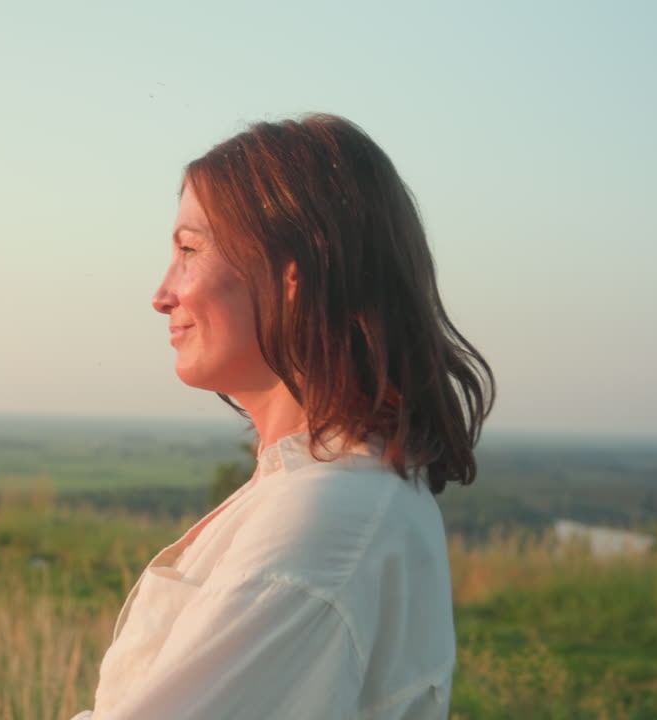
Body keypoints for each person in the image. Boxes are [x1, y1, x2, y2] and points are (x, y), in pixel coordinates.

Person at [71, 114, 495, 719]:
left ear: (292, 270)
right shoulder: (322, 491)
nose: (162, 293)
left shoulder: (322, 519)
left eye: (189, 250)